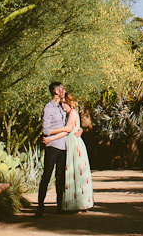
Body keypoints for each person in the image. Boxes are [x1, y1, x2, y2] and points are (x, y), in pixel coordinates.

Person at [43, 93, 94, 212]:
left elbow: (67, 130)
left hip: (73, 144)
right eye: (61, 103)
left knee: (76, 172)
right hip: (69, 144)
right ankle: (76, 203)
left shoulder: (72, 113)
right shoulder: (67, 113)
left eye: (64, 103)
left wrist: (50, 138)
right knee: (73, 174)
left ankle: (79, 204)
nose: (63, 106)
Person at [36, 81, 68, 217]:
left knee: (60, 177)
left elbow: (71, 123)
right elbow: (46, 130)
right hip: (52, 147)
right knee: (47, 175)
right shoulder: (48, 108)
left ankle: (60, 206)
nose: (64, 90)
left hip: (63, 147)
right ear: (56, 91)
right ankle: (40, 207)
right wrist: (64, 129)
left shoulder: (62, 107)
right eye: (62, 88)